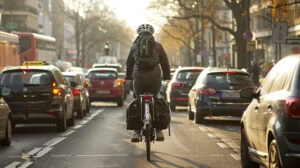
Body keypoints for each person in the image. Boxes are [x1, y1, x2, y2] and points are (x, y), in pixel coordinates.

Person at [125, 24, 171, 142]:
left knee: (137, 98)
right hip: (155, 78)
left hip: (139, 79)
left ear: (139, 34)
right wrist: (166, 76)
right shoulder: (158, 46)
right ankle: (159, 130)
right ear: (152, 34)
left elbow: (129, 64)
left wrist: (128, 77)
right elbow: (165, 63)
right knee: (155, 98)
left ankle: (136, 132)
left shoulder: (135, 46)